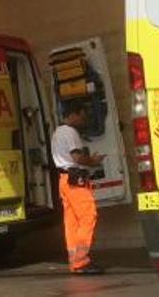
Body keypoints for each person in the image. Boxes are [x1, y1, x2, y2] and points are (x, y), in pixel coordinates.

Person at [51, 100, 105, 274]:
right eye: (82, 116)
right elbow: (77, 158)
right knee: (88, 216)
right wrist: (93, 161)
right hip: (75, 181)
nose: (83, 120)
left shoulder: (57, 132)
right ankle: (81, 260)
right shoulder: (70, 132)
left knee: (72, 222)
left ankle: (75, 261)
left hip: (64, 180)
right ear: (73, 114)